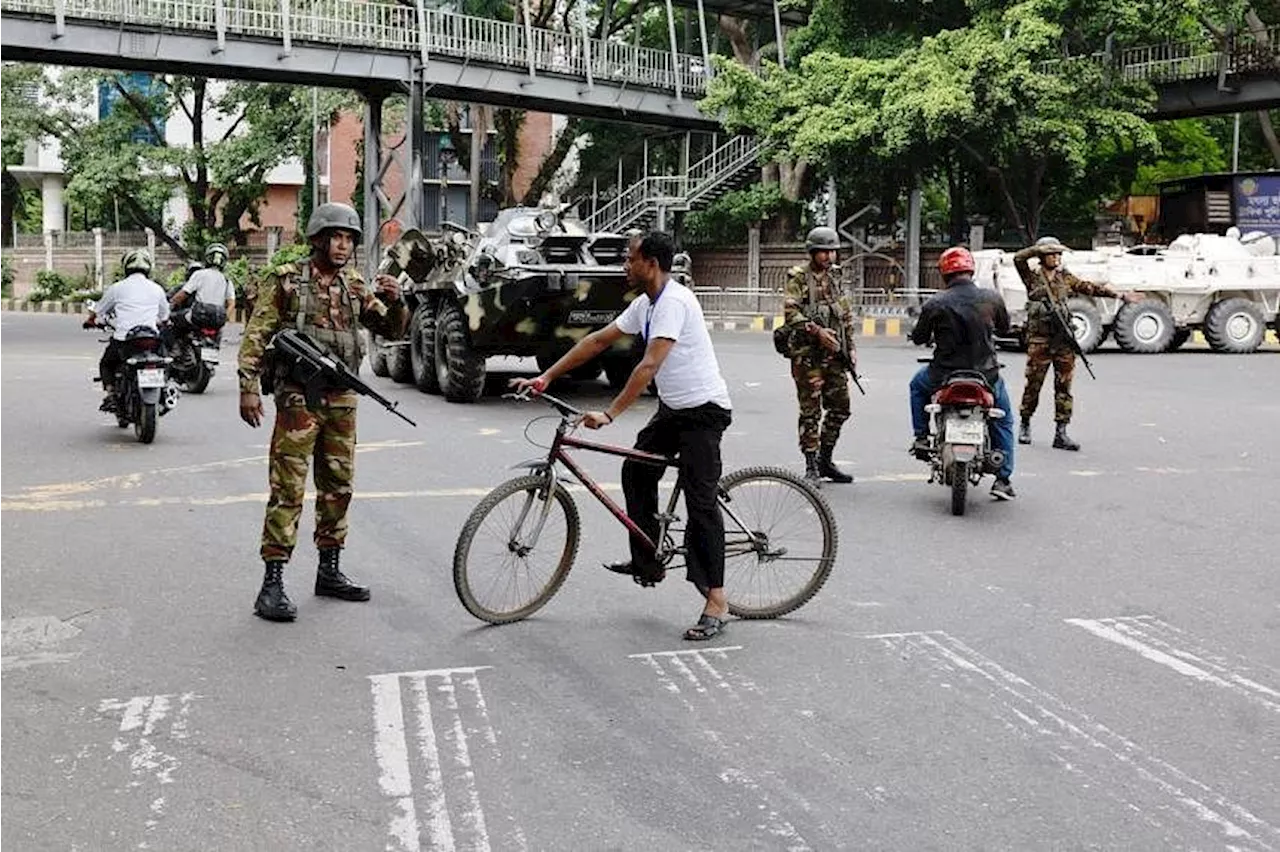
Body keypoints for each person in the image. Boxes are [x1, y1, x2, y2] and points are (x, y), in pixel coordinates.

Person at [511, 231, 734, 641]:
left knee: (700, 504)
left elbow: (648, 367)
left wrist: (610, 413)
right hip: (674, 410)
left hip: (703, 413)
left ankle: (716, 600)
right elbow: (598, 340)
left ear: (651, 262)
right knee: (635, 471)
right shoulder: (645, 305)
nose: (624, 265)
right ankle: (649, 562)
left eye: (630, 258)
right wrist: (547, 377)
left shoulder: (673, 302)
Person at [236, 202, 408, 623]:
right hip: (298, 399)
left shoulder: (353, 285)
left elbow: (391, 329)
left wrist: (398, 301)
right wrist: (249, 388)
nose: (342, 245)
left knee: (338, 487)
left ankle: (329, 571)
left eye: (348, 238)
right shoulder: (287, 281)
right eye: (335, 237)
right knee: (288, 490)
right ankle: (272, 583)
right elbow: (257, 333)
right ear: (317, 239)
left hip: (341, 399)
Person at [909, 246, 1017, 500]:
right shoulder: (991, 298)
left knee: (917, 386)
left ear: (945, 274)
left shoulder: (935, 303)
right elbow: (1005, 327)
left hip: (944, 375)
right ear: (970, 270)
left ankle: (922, 437)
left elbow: (919, 338)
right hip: (986, 375)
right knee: (1004, 419)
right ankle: (1003, 479)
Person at [1013, 236, 1141, 451]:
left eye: (1058, 254)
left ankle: (1061, 432)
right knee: (1033, 385)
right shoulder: (1032, 277)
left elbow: (1089, 287)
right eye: (1052, 253)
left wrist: (1119, 295)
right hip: (1040, 340)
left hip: (1063, 340)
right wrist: (1037, 249)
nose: (1057, 257)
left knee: (1064, 386)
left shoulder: (1065, 277)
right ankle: (1025, 423)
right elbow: (1018, 259)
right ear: (1042, 255)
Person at [781, 226, 857, 485]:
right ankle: (811, 465)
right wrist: (816, 331)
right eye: (823, 251)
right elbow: (791, 313)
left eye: (832, 251)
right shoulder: (799, 277)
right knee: (810, 411)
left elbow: (845, 315)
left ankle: (826, 459)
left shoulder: (835, 276)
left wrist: (851, 349)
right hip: (808, 356)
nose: (829, 256)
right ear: (812, 252)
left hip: (834, 355)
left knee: (840, 408)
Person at [83, 248, 170, 412]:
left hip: (125, 340)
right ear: (148, 267)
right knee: (164, 361)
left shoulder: (117, 288)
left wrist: (91, 320)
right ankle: (166, 388)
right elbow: (165, 316)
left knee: (106, 364)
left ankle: (111, 394)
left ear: (126, 267)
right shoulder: (157, 288)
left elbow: (99, 309)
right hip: (151, 340)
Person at [172, 243, 235, 319]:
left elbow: (182, 294)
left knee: (175, 319)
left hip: (199, 317)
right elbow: (231, 304)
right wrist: (224, 319)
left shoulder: (199, 274)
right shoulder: (227, 281)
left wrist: (170, 304)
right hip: (217, 321)